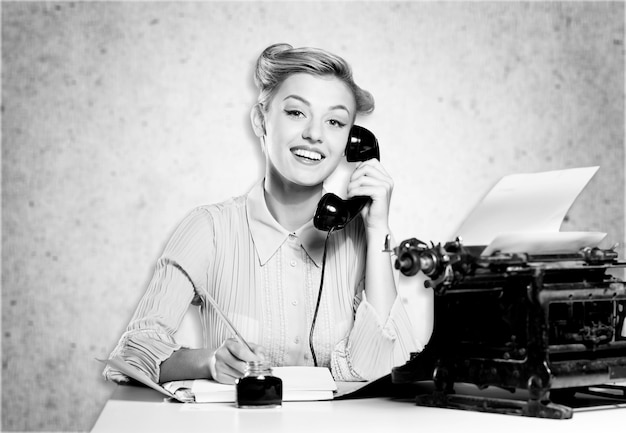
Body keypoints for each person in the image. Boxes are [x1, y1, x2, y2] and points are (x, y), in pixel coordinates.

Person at [103, 43, 421, 385]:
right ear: (261, 120)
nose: (314, 134)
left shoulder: (358, 237)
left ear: (351, 142)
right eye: (296, 113)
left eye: (334, 121)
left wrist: (378, 232)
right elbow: (131, 357)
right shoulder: (209, 229)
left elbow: (393, 368)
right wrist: (207, 362)